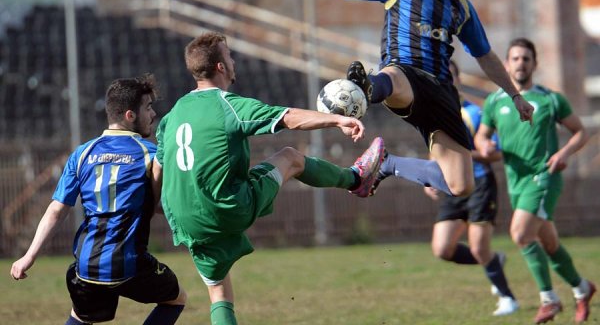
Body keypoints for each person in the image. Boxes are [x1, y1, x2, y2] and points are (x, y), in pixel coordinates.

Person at [153, 31, 385, 325]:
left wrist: (154, 208)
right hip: (227, 208)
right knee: (290, 158)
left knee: (218, 289)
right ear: (221, 67)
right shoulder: (228, 106)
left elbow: (157, 171)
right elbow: (288, 117)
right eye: (229, 55)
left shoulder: (172, 116)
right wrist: (337, 119)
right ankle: (357, 179)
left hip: (185, 219)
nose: (233, 60)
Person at [307, 0, 534, 199]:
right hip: (403, 72)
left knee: (460, 185)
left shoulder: (460, 6)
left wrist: (515, 95)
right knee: (396, 77)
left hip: (442, 92)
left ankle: (388, 163)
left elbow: (484, 54)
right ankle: (368, 87)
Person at [10, 74, 187, 325]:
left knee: (81, 316)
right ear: (130, 115)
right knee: (176, 298)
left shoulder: (83, 153)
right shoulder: (150, 155)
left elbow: (56, 210)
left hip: (87, 264)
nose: (153, 114)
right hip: (128, 263)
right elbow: (162, 205)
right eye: (148, 107)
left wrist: (29, 256)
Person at [475, 38, 595, 324]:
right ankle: (582, 288)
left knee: (520, 234)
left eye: (526, 59)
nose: (520, 63)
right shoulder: (494, 101)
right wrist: (484, 146)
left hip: (545, 177)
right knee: (549, 244)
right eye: (515, 58)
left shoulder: (550, 99)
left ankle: (549, 300)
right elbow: (482, 135)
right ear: (506, 64)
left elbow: (580, 132)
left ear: (535, 64)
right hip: (516, 181)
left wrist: (564, 153)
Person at [419, 60, 518, 316]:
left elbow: (495, 154)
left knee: (478, 247)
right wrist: (431, 179)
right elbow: (436, 153)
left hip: (479, 184)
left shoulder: (474, 113)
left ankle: (508, 298)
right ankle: (494, 261)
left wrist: (471, 154)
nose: (446, 82)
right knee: (442, 249)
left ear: (458, 79)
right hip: (452, 187)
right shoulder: (434, 116)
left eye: (450, 76)